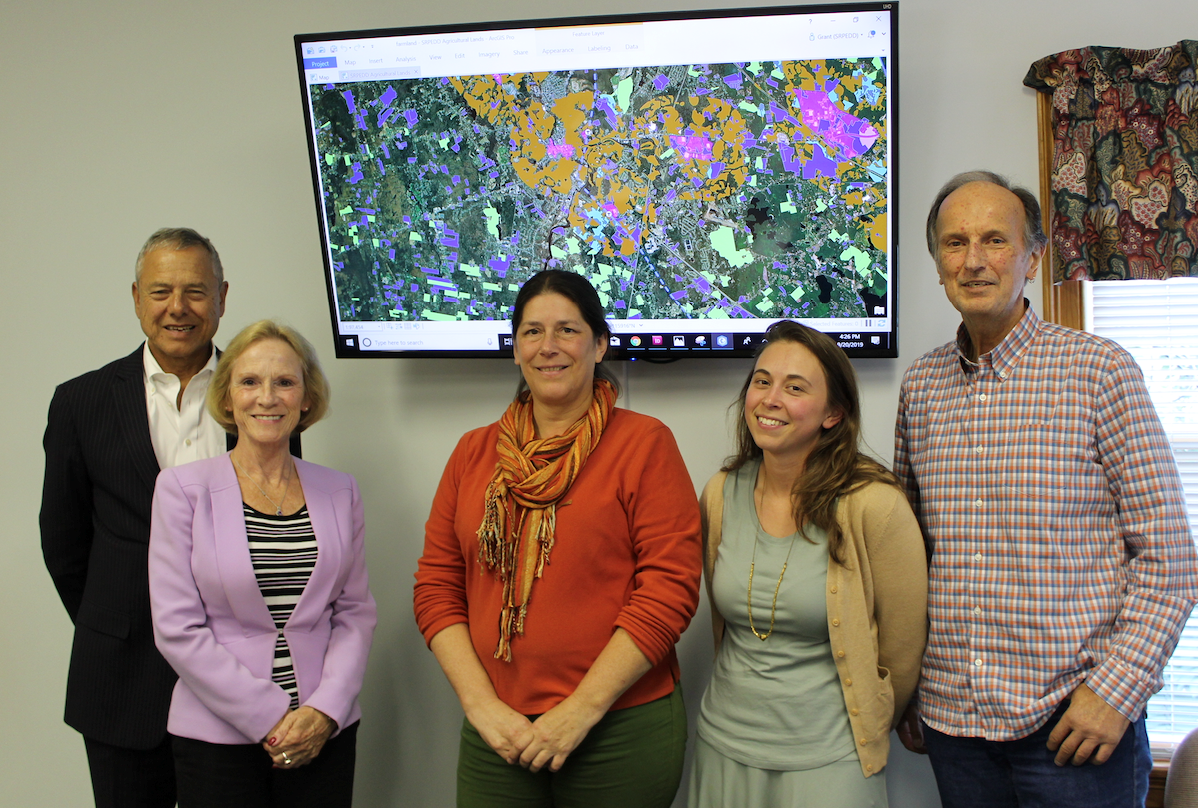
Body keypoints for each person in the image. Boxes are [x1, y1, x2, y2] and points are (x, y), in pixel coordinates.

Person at [894, 170, 1198, 807]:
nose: (973, 261)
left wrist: (1116, 692)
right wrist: (908, 687)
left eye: (994, 240)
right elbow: (907, 556)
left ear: (1032, 258)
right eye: (955, 243)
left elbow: (1170, 561)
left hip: (1074, 727)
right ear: (938, 264)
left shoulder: (1100, 372)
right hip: (954, 724)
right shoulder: (920, 387)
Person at [413, 269, 702, 808]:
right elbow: (437, 587)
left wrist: (580, 710)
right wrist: (481, 707)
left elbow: (669, 590)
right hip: (498, 727)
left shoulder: (645, 443)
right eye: (532, 332)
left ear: (600, 345)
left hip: (619, 727)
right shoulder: (473, 453)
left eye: (568, 330)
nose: (548, 347)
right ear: (515, 349)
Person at [688, 320, 927, 808]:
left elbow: (902, 653)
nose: (770, 399)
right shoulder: (720, 493)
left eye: (795, 388)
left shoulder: (874, 505)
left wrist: (874, 718)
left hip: (831, 757)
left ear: (833, 413)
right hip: (724, 746)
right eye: (762, 381)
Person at [40, 227, 231, 808]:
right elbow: (64, 543)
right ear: (135, 297)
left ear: (222, 297)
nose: (178, 307)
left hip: (237, 680)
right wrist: (115, 621)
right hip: (120, 681)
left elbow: (280, 529)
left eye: (195, 291)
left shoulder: (261, 394)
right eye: (161, 291)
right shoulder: (81, 402)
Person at [149, 320, 376, 807]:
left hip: (323, 733)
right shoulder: (181, 490)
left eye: (285, 382)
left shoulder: (340, 490)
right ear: (227, 397)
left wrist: (324, 711)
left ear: (306, 398)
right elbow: (176, 628)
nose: (267, 398)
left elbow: (354, 612)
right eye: (249, 381)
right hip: (215, 739)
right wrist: (270, 716)